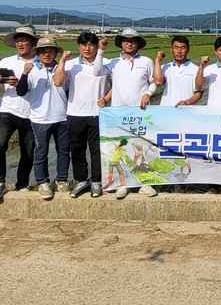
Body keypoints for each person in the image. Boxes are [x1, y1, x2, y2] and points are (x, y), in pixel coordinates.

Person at [93, 28, 158, 199]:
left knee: (142, 149)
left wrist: (148, 94)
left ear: (138, 44)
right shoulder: (114, 63)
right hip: (119, 113)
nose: (129, 43)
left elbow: (153, 82)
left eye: (133, 41)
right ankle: (123, 184)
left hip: (140, 113)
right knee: (120, 150)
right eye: (126, 40)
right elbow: (97, 71)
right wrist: (100, 51)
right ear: (121, 43)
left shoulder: (146, 61)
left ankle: (145, 183)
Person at [53, 32, 111, 198]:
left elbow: (117, 85)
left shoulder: (107, 63)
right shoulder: (71, 64)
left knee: (97, 150)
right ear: (78, 47)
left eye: (91, 45)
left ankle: (96, 181)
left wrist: (106, 98)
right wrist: (62, 61)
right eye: (84, 45)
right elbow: (58, 82)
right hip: (75, 113)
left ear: (96, 46)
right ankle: (81, 180)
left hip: (97, 113)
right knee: (77, 150)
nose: (87, 48)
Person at [16, 37, 70, 201]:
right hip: (40, 119)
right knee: (41, 152)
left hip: (62, 117)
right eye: (43, 51)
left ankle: (62, 180)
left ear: (55, 53)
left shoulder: (63, 69)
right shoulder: (32, 70)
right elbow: (21, 91)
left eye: (50, 51)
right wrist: (24, 73)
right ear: (37, 54)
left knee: (64, 151)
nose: (47, 54)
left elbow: (69, 90)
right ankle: (42, 182)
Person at [0, 25, 38, 196]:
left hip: (32, 113)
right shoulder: (5, 62)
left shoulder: (40, 63)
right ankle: (1, 181)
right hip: (7, 110)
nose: (21, 44)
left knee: (28, 152)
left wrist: (22, 84)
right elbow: (1, 89)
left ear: (32, 43)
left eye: (24, 40)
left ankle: (22, 184)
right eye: (18, 41)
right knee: (0, 145)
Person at [154, 35, 203, 107]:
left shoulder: (196, 69)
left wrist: (187, 102)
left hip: (186, 111)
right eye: (176, 47)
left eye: (182, 48)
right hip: (166, 110)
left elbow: (199, 93)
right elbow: (158, 82)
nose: (179, 51)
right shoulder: (165, 67)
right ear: (171, 49)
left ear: (188, 49)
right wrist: (157, 61)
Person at [195, 36, 221, 106]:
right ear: (216, 52)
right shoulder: (209, 69)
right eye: (220, 50)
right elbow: (199, 87)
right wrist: (201, 66)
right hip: (213, 111)